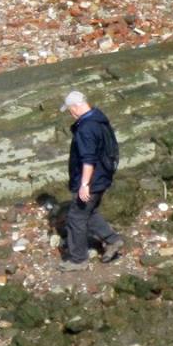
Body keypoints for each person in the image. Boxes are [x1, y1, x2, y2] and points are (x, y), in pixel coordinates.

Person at [61, 90, 122, 266]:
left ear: (76, 107)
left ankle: (78, 260)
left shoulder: (86, 128)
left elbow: (89, 159)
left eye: (70, 109)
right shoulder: (99, 118)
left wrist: (84, 184)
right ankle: (112, 240)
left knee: (75, 218)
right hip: (103, 176)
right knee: (89, 211)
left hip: (92, 180)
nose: (70, 113)